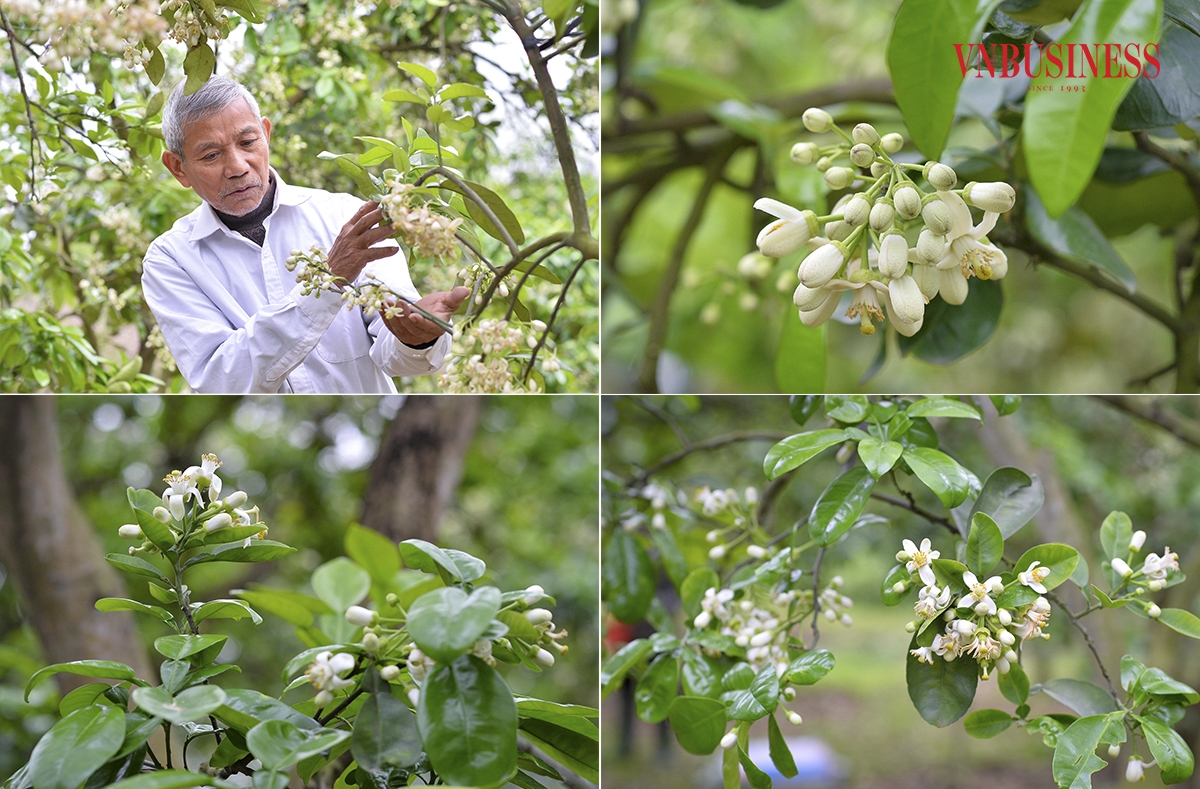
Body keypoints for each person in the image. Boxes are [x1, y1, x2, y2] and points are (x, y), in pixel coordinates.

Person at [142, 76, 469, 393]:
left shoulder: (345, 216)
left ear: (266, 134)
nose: (238, 166)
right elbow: (225, 382)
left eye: (247, 142)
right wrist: (329, 280)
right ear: (178, 168)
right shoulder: (171, 260)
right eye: (211, 155)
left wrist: (416, 337)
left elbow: (399, 355)